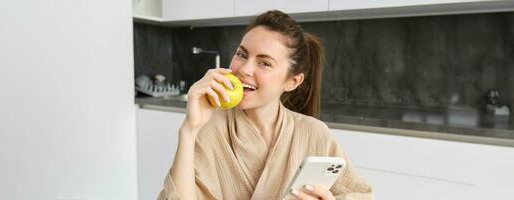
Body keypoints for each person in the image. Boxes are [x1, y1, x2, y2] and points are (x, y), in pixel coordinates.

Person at [158, 10, 373, 200]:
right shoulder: (208, 126)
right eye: (242, 54)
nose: (244, 69)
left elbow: (360, 195)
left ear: (292, 81)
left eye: (264, 63)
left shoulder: (314, 133)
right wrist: (189, 129)